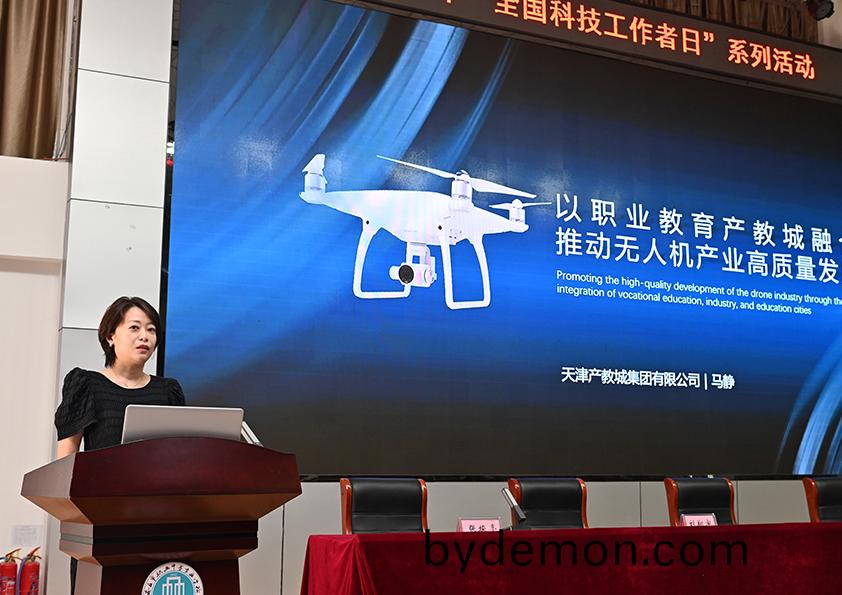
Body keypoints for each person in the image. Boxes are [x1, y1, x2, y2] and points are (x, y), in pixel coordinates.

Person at [54, 296, 185, 593]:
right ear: (110, 336)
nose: (145, 337)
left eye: (151, 330)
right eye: (135, 327)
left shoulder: (168, 390)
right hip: (101, 523)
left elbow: (180, 459)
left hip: (157, 523)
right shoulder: (86, 384)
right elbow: (65, 464)